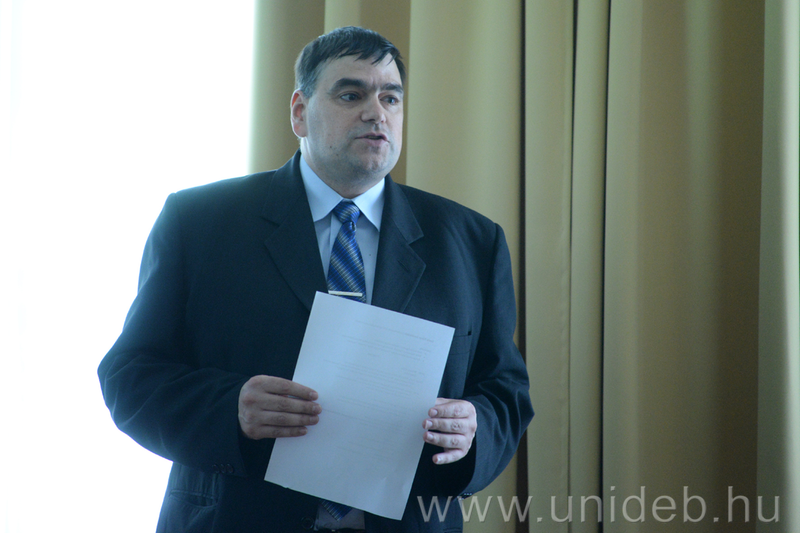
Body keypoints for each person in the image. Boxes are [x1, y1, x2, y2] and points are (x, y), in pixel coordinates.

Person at [98, 26, 533, 533]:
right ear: (300, 112)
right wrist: (230, 409)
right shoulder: (199, 222)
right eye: (351, 95)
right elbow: (131, 375)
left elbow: (504, 391)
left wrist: (474, 430)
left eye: (390, 98)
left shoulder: (471, 241)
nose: (376, 113)